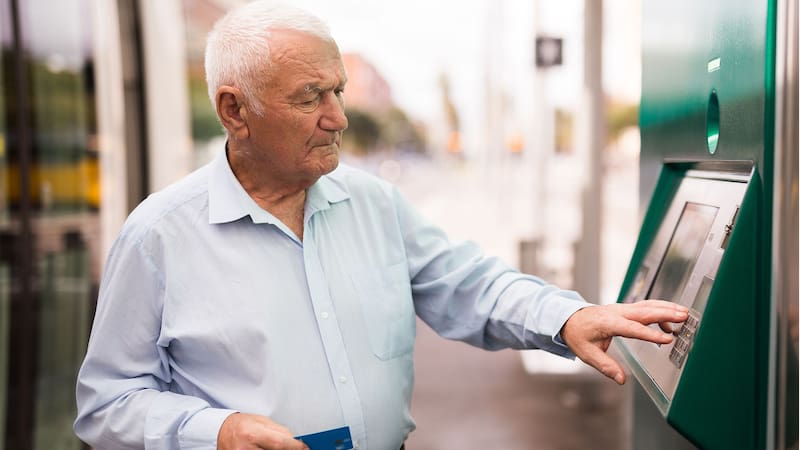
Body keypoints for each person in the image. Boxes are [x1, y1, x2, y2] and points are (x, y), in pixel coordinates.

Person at [74, 3, 688, 450]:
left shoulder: (372, 203)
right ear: (236, 110)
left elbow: (469, 284)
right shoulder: (159, 236)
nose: (338, 117)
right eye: (310, 96)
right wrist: (217, 432)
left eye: (338, 90)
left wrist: (566, 316)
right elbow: (107, 404)